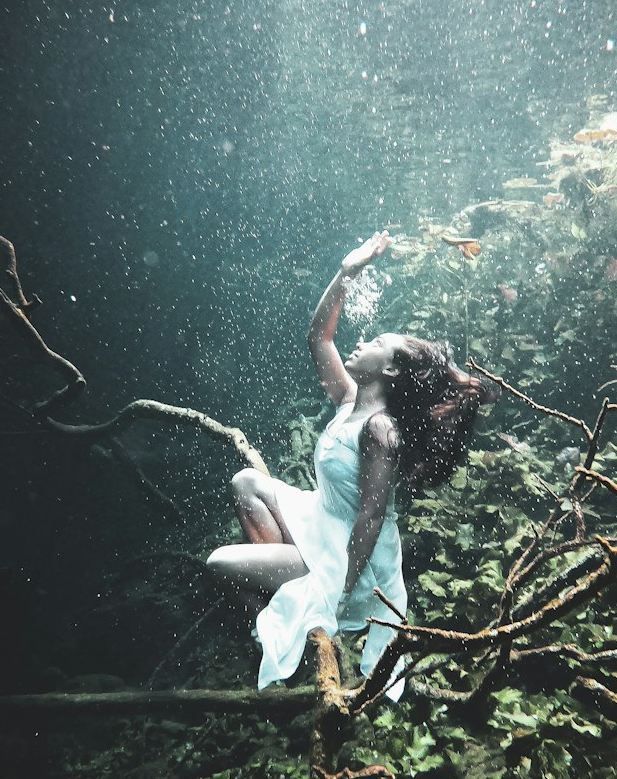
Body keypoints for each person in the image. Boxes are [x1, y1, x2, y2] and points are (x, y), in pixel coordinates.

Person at [207, 230, 492, 699]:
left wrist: (340, 586)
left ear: (392, 371)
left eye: (377, 341)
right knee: (245, 482)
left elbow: (372, 518)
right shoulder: (350, 398)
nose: (362, 342)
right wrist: (348, 270)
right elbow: (319, 336)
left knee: (220, 563)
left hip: (347, 556)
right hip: (320, 520)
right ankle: (288, 593)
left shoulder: (381, 431)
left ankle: (290, 615)